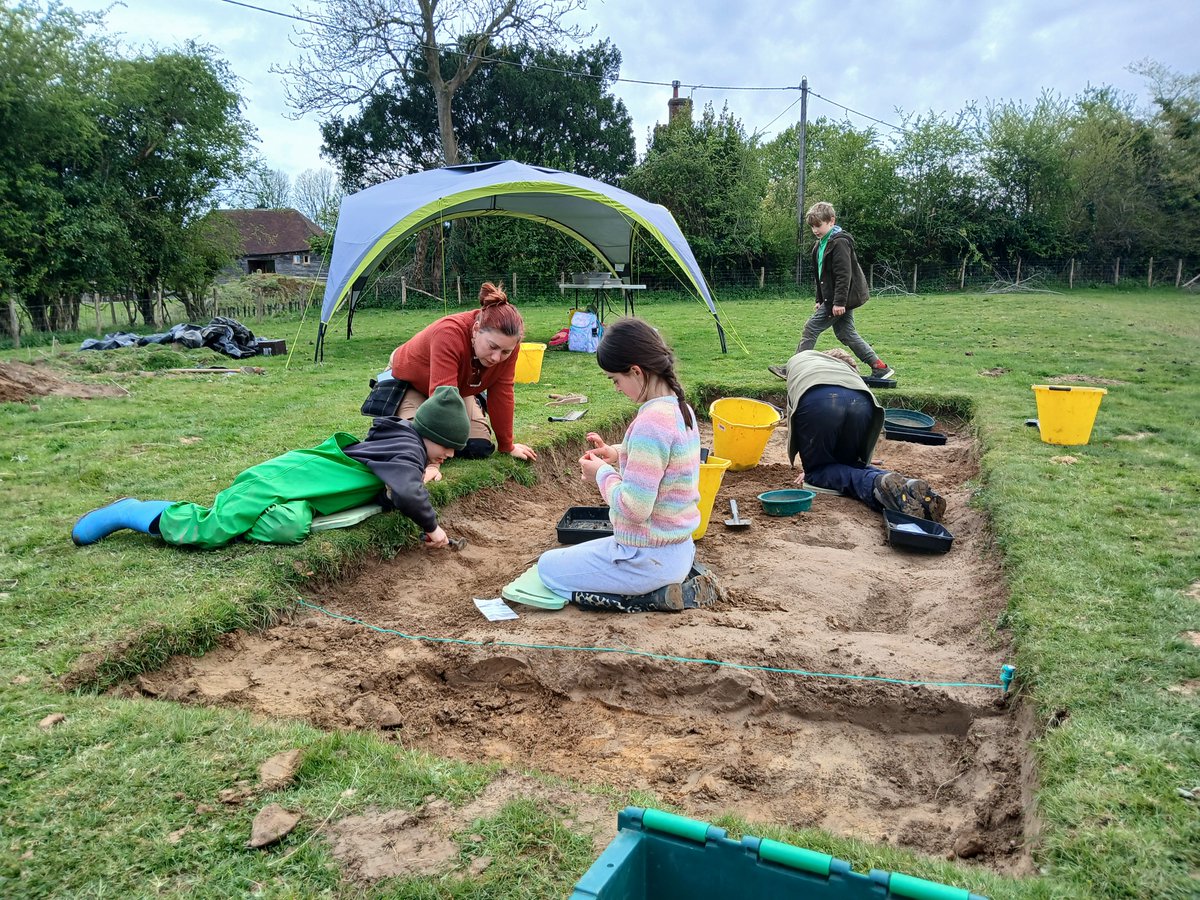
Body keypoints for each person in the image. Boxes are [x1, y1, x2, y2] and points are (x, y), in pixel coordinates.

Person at [71, 385, 471, 550]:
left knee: (290, 527)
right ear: (428, 433)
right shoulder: (406, 449)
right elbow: (405, 490)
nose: (450, 456)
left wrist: (417, 474)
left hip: (304, 498)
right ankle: (131, 511)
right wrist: (432, 528)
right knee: (210, 531)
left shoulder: (405, 443)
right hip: (277, 481)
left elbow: (395, 481)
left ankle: (248, 522)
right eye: (448, 447)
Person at [536, 318, 707, 602]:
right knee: (565, 558)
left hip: (646, 559)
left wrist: (601, 473)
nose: (616, 388)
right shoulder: (679, 407)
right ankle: (657, 588)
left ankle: (643, 599)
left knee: (548, 568)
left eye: (615, 380)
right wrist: (617, 453)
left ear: (636, 371)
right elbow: (665, 459)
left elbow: (634, 508)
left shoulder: (651, 422)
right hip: (677, 549)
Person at [382, 281, 537, 483]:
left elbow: (503, 392)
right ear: (476, 329)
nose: (496, 358)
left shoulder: (509, 347)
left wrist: (507, 445)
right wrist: (432, 463)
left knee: (478, 447)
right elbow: (442, 398)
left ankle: (473, 402)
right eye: (492, 347)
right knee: (414, 445)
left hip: (456, 388)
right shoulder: (448, 333)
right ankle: (401, 414)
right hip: (412, 381)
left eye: (505, 352)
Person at [784, 348, 945, 520]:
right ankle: (903, 485)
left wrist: (814, 464)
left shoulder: (803, 361)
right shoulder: (848, 375)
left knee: (817, 474)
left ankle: (877, 487)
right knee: (849, 463)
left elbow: (795, 417)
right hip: (862, 400)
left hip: (819, 400)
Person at [769, 201, 894, 382]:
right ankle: (879, 367)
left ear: (831, 221)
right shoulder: (820, 246)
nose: (815, 230)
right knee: (846, 333)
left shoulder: (840, 243)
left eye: (818, 225)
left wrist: (839, 302)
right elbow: (821, 276)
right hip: (833, 298)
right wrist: (819, 298)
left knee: (811, 328)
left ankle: (793, 369)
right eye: (812, 226)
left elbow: (844, 275)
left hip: (841, 298)